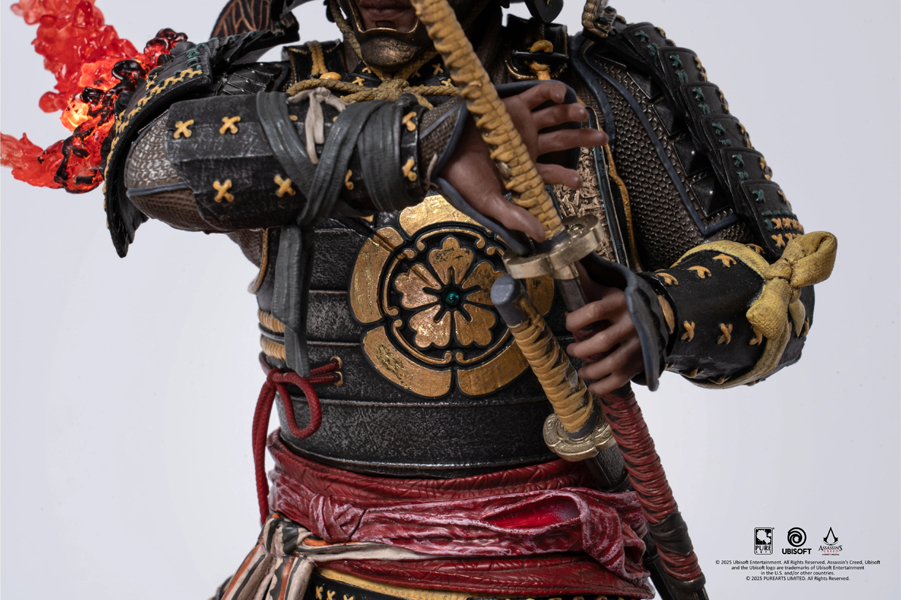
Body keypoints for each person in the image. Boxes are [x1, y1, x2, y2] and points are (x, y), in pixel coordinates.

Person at [14, 0, 838, 598]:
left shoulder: (601, 90)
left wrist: (657, 314)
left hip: (552, 567)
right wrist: (422, 143)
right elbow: (152, 167)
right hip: (325, 564)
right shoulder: (276, 98)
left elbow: (770, 283)